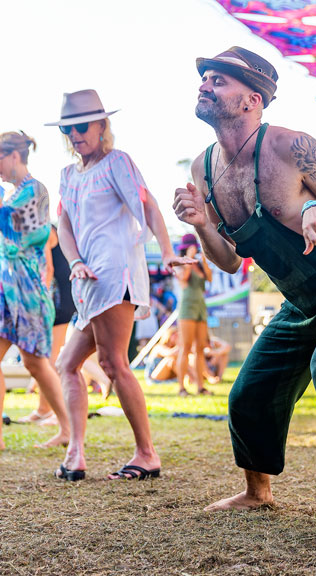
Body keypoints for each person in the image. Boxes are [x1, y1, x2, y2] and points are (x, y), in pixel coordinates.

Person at [173, 46, 316, 548]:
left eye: (220, 81)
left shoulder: (290, 146)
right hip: (302, 298)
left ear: (252, 99)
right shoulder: (203, 169)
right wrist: (202, 225)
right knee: (248, 393)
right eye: (205, 77)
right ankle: (258, 492)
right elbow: (230, 260)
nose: (206, 84)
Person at [47, 89, 190, 481]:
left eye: (81, 126)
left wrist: (167, 249)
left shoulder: (118, 163)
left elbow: (148, 206)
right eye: (67, 128)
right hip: (86, 281)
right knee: (67, 364)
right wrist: (74, 261)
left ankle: (146, 454)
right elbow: (64, 224)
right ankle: (75, 454)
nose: (74, 135)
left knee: (113, 363)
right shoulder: (67, 175)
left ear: (101, 126)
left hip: (115, 275)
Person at [0, 132, 71, 450]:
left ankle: (67, 428)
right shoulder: (11, 192)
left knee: (36, 363)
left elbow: (20, 228)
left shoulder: (34, 189)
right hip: (7, 288)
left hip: (29, 290)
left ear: (14, 156)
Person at [18, 225, 77, 426]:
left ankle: (54, 412)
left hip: (55, 296)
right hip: (53, 295)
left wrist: (40, 300)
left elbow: (47, 268)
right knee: (46, 355)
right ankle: (44, 409)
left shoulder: (43, 229)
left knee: (50, 357)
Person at [175, 232, 213, 396]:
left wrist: (203, 260)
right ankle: (181, 388)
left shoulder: (200, 264)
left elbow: (210, 278)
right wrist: (189, 259)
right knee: (186, 347)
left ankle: (200, 386)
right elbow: (184, 279)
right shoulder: (180, 264)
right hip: (187, 308)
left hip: (200, 307)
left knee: (200, 348)